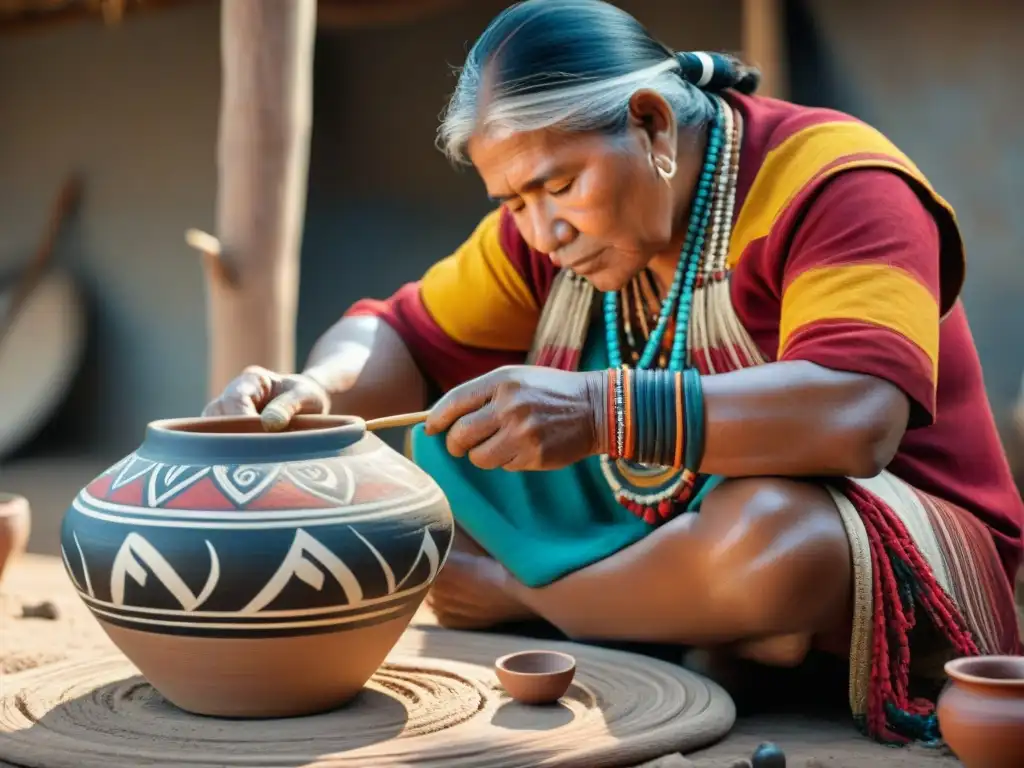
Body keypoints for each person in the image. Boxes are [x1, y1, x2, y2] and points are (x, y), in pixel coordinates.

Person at [203, 0, 1022, 746]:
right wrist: (314, 389)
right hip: (671, 534)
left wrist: (593, 424)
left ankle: (547, 602)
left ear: (653, 125)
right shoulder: (539, 229)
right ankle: (688, 620)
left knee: (779, 539)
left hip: (899, 548)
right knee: (436, 453)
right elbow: (398, 336)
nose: (540, 227)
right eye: (513, 199)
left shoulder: (839, 184)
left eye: (558, 185)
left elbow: (858, 417)